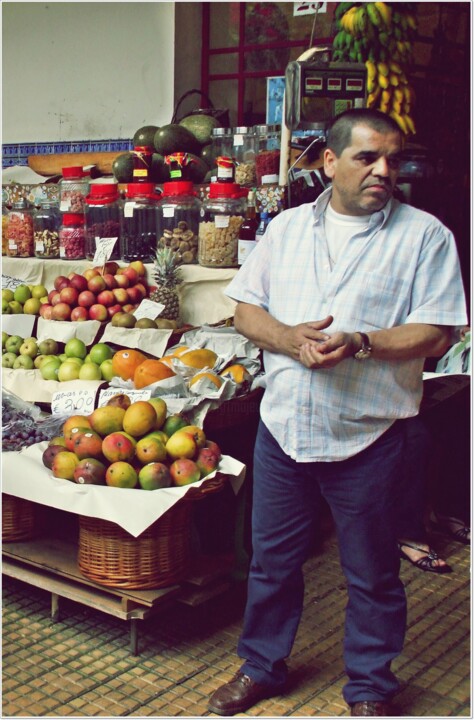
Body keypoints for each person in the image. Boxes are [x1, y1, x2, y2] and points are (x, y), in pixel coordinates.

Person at [208, 109, 467, 717]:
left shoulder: (425, 236)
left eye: (393, 160)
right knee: (271, 563)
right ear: (330, 160)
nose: (384, 171)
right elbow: (246, 312)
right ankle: (261, 667)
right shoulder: (289, 228)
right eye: (367, 158)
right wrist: (289, 337)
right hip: (285, 429)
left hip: (369, 437)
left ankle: (372, 687)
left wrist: (362, 342)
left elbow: (437, 332)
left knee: (372, 573)